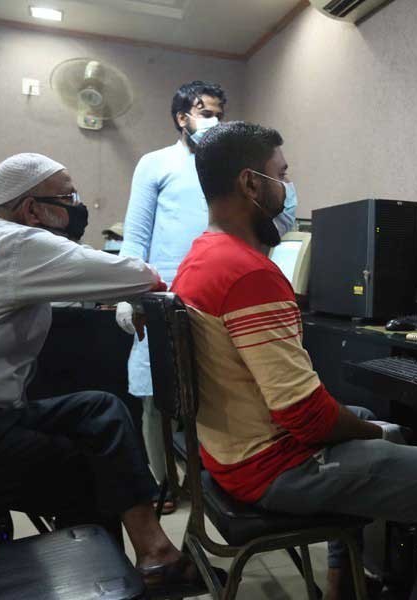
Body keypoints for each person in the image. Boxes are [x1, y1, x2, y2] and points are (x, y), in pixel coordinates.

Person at [171, 123, 417, 600]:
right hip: (275, 468)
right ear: (251, 183)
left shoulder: (198, 258)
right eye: (281, 175)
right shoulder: (247, 273)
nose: (287, 189)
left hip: (230, 455)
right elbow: (305, 417)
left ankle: (342, 585)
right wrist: (375, 434)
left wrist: (367, 427)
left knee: (367, 415)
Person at [0, 153, 210, 597]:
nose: (77, 206)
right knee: (91, 469)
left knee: (97, 409)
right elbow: (138, 273)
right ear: (32, 209)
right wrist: (139, 290)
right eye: (69, 197)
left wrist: (130, 293)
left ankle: (151, 554)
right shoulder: (16, 244)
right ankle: (106, 580)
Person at [115, 81, 297, 512]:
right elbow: (136, 235)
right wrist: (128, 295)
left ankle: (217, 475)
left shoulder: (233, 167)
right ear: (182, 118)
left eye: (220, 114)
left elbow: (280, 216)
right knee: (157, 399)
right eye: (206, 113)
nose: (215, 121)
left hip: (225, 290)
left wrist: (279, 193)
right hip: (167, 295)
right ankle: (166, 484)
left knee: (221, 392)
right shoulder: (156, 164)